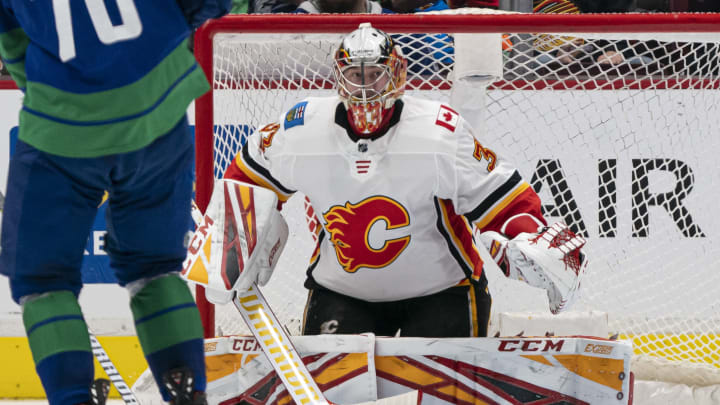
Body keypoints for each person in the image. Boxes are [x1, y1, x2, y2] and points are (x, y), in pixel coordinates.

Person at [222, 23, 587, 338]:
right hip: (341, 293)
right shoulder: (301, 129)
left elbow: (499, 198)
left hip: (443, 292)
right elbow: (249, 176)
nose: (365, 87)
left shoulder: (437, 133)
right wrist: (230, 237)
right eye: (356, 75)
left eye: (375, 74)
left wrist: (525, 234)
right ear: (339, 77)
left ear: (396, 74)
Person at [0, 1, 229, 404]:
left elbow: (10, 36)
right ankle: (187, 393)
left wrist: (44, 90)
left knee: (42, 281)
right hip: (161, 107)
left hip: (64, 129)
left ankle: (73, 398)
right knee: (155, 269)